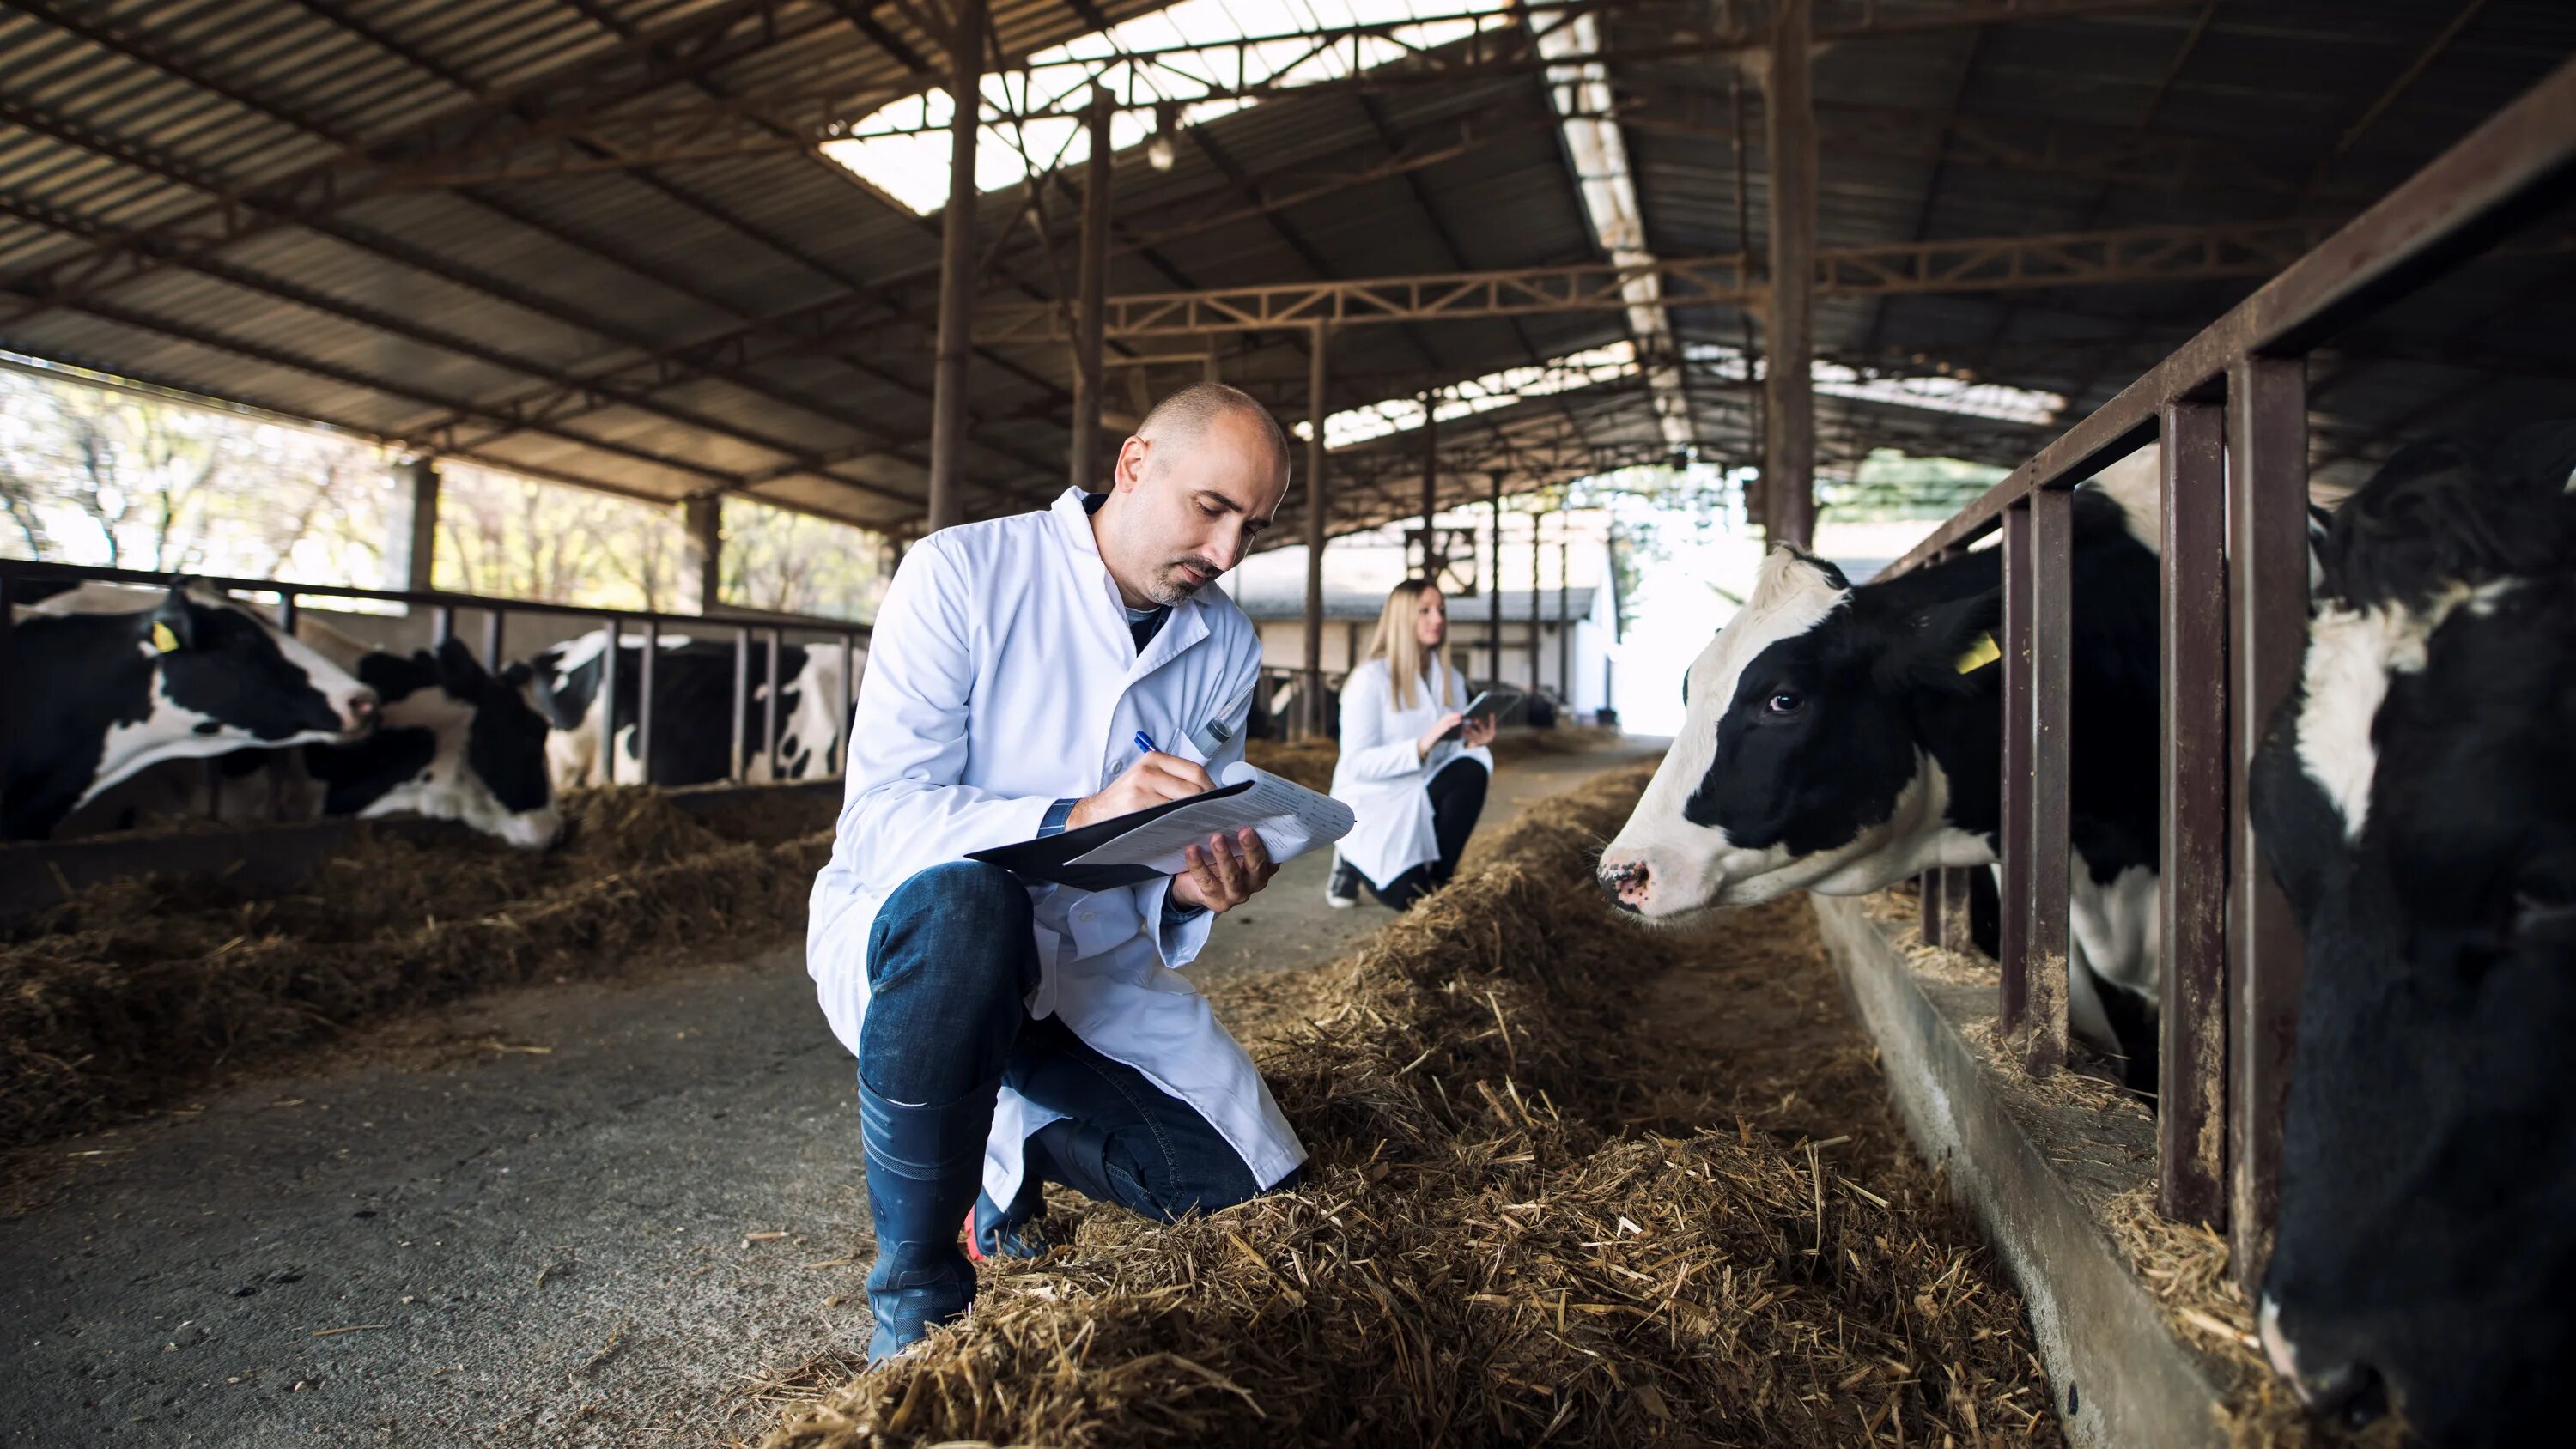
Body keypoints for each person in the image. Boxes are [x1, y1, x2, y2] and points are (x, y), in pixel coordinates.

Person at [806, 383, 1306, 1365]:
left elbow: (1167, 844)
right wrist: (1069, 815)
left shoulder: (1227, 643)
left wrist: (1188, 884)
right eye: (1212, 508)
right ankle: (916, 1296)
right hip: (926, 953)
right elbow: (878, 819)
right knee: (969, 901)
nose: (1228, 554)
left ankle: (1009, 1143)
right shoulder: (963, 572)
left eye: (1253, 524)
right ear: (1134, 465)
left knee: (1244, 1188)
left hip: (1087, 970)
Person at [1325, 579, 1498, 912]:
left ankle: (1441, 879)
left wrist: (1472, 743)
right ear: (1402, 618)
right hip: (1374, 802)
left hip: (1421, 793)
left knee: (1473, 767)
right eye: (1425, 611)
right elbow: (1357, 763)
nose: (1438, 619)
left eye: (1441, 610)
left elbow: (1450, 756)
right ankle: (1348, 855)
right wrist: (1419, 747)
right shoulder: (1369, 679)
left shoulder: (1451, 679)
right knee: (1407, 899)